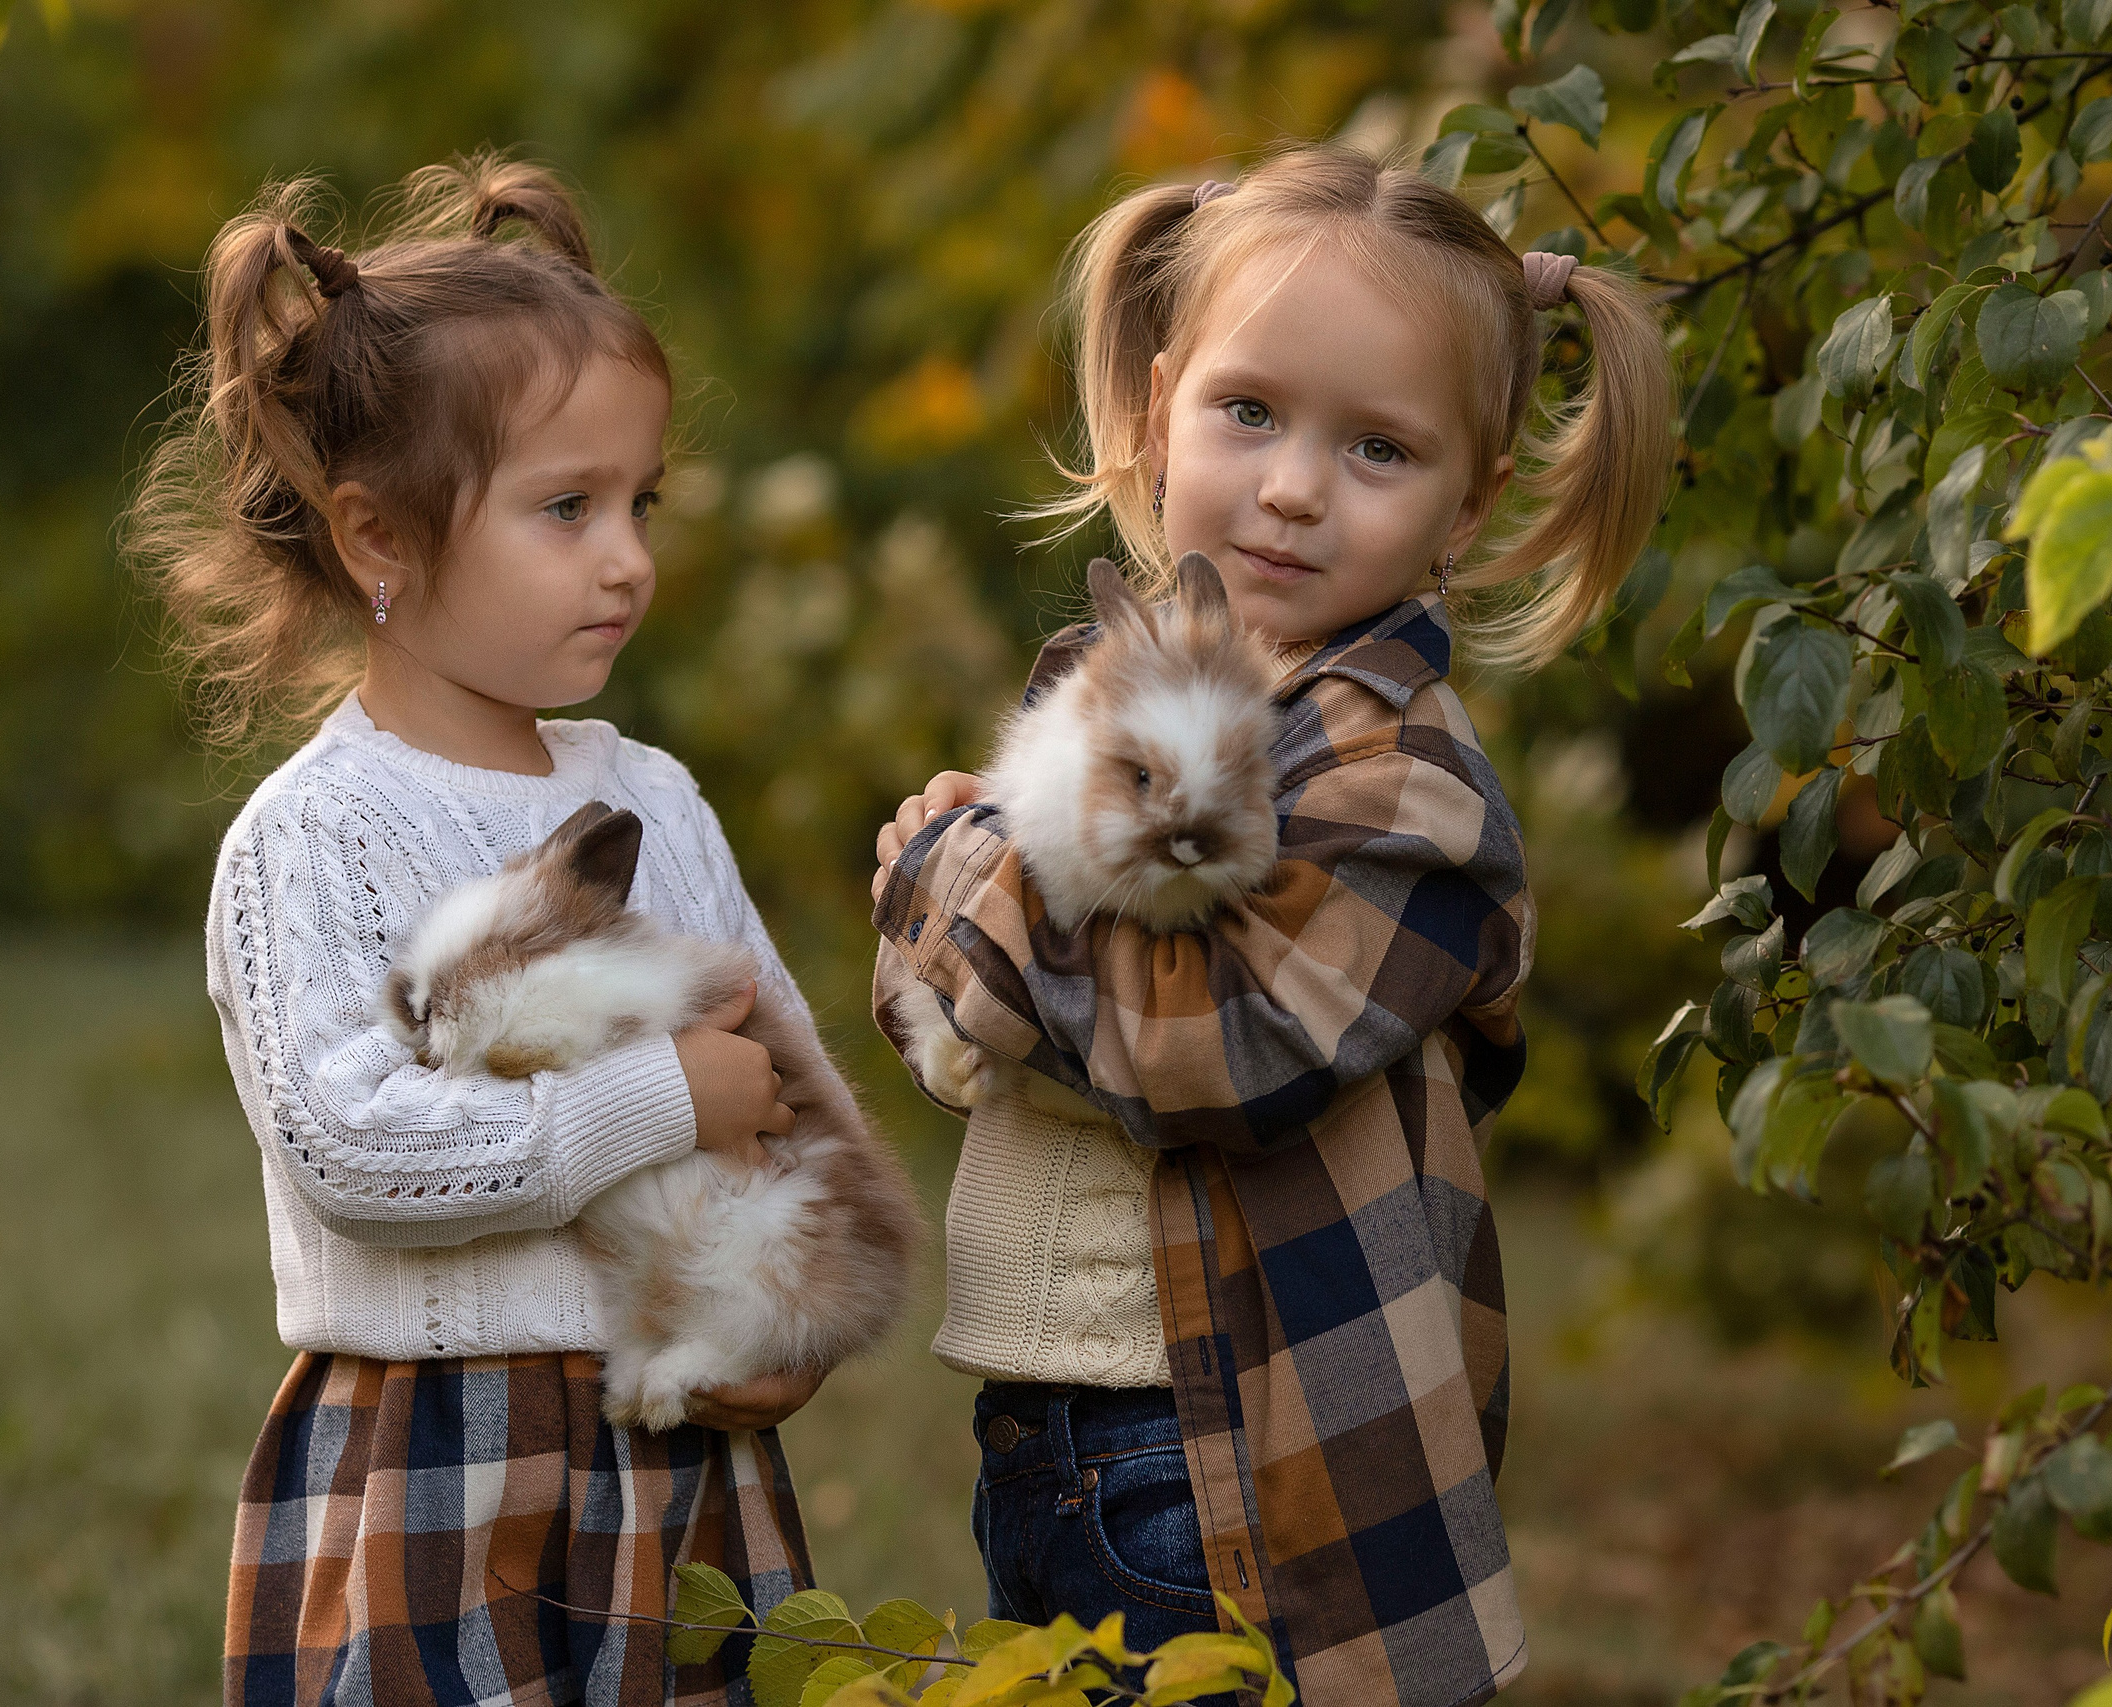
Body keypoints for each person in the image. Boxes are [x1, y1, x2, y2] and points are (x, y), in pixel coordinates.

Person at [869, 143, 1672, 1707]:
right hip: (1047, 1430)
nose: (1296, 487)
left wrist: (950, 872)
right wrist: (985, 926)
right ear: (1162, 407)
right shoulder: (1117, 682)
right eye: (1250, 412)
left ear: (1467, 501)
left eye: (1378, 448)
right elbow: (947, 1034)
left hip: (1233, 1464)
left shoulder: (1400, 788)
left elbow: (1200, 1045)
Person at [132, 154, 825, 1706]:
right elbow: (357, 1148)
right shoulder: (313, 839)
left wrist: (795, 1312)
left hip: (678, 1445)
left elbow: (777, 1072)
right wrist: (657, 1098)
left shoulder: (658, 797)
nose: (628, 555)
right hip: (441, 1454)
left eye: (641, 502)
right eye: (565, 508)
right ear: (381, 540)